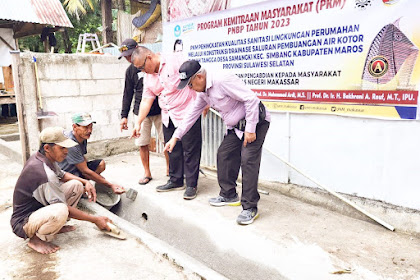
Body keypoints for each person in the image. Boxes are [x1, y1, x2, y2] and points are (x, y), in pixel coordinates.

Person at [164, 60, 271, 225]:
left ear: (199, 77)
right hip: (236, 127)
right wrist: (175, 137)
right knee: (224, 154)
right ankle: (228, 194)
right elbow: (191, 115)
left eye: (190, 84)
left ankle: (250, 207)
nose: (190, 89)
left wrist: (250, 128)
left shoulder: (222, 80)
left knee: (248, 160)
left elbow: (251, 100)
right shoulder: (203, 93)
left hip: (255, 123)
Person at [10, 126, 112, 254]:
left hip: (39, 208)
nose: (66, 151)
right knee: (61, 209)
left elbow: (62, 175)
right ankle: (36, 239)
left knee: (76, 185)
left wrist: (85, 181)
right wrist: (96, 219)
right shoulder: (45, 174)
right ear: (47, 148)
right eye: (62, 148)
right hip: (23, 222)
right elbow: (64, 207)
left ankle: (55, 227)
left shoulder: (44, 158)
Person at [130, 46, 203, 200]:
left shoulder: (174, 60)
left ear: (149, 57)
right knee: (172, 148)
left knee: (190, 150)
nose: (143, 71)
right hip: (168, 115)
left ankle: (191, 184)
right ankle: (176, 180)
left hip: (187, 112)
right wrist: (138, 123)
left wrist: (204, 101)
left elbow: (196, 75)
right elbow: (146, 100)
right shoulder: (149, 77)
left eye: (142, 66)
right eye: (139, 69)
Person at [118, 38, 169, 184]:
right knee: (142, 142)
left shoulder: (155, 65)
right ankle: (147, 172)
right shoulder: (130, 71)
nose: (128, 59)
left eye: (129, 55)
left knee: (166, 141)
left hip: (160, 110)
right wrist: (124, 116)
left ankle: (170, 169)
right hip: (140, 111)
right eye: (126, 57)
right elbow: (127, 93)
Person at [58, 113, 125, 194]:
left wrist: (97, 178)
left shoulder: (83, 137)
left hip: (76, 169)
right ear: (75, 127)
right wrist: (110, 185)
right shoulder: (71, 143)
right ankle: (82, 188)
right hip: (65, 174)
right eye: (86, 127)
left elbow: (82, 157)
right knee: (81, 180)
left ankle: (86, 183)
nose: (89, 131)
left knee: (101, 164)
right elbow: (84, 171)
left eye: (91, 127)